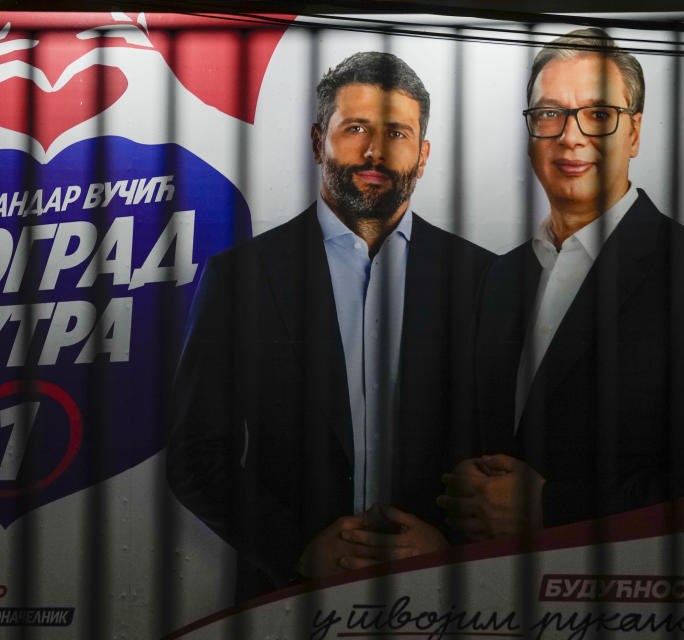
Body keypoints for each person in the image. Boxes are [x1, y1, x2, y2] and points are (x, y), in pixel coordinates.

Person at [167, 51, 493, 600]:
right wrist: (297, 548)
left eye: (397, 133)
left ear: (424, 153)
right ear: (319, 140)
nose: (374, 152)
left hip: (447, 596)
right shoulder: (241, 278)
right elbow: (195, 455)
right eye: (356, 129)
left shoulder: (486, 279)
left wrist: (448, 548)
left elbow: (505, 448)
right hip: (290, 595)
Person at [439, 28, 684, 541]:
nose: (570, 136)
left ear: (635, 132)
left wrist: (553, 509)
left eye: (598, 115)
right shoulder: (498, 277)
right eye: (549, 113)